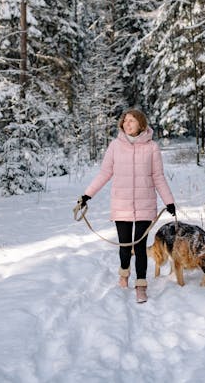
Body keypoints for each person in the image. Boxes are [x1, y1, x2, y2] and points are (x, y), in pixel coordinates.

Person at [78, 108, 176, 303]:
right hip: (121, 204)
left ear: (141, 124)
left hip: (145, 205)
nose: (127, 124)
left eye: (132, 121)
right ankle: (124, 275)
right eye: (125, 121)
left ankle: (141, 285)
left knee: (139, 247)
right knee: (125, 246)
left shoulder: (152, 147)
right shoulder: (115, 146)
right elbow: (104, 173)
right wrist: (87, 195)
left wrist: (169, 201)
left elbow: (158, 176)